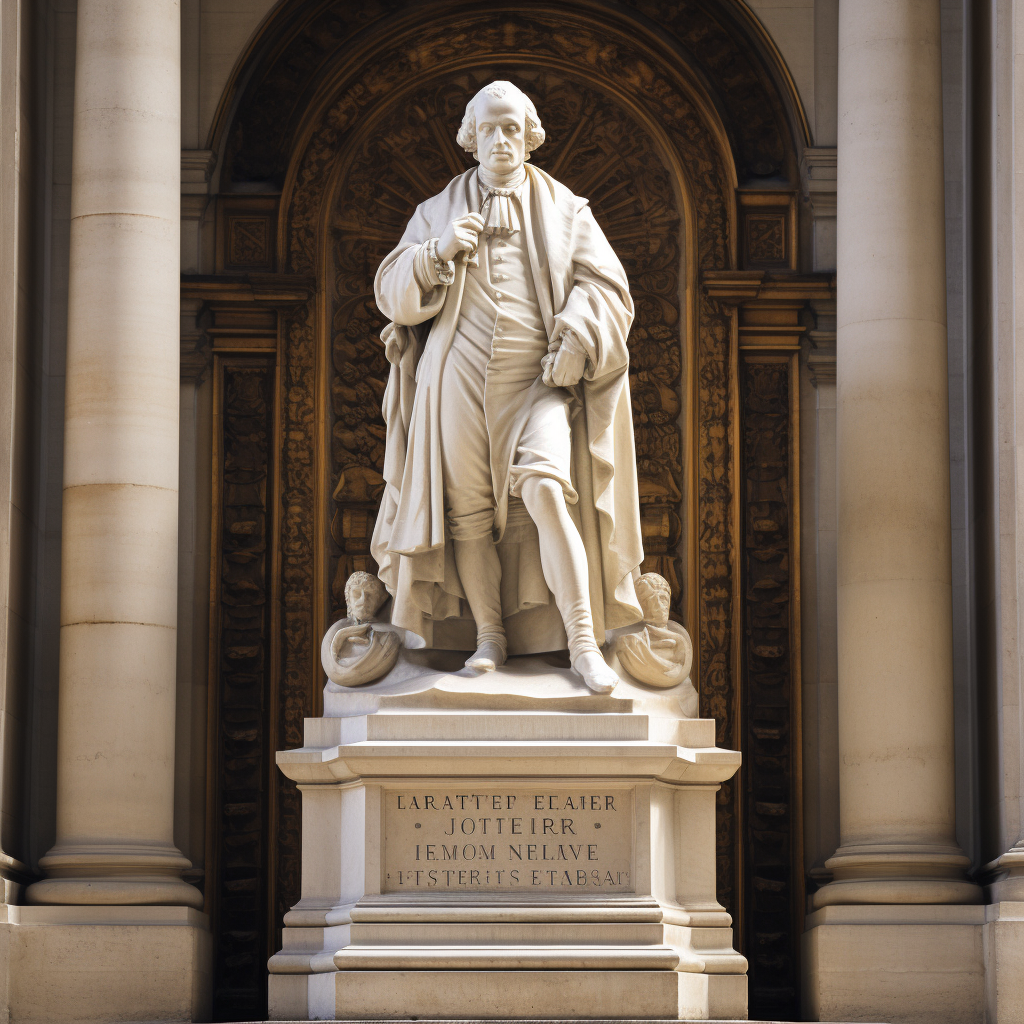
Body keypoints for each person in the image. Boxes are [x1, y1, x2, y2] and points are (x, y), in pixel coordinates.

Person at [371, 80, 645, 694]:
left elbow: (608, 287)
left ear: (530, 136)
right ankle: (488, 638)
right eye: (489, 129)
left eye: (512, 129)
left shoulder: (568, 210)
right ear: (471, 139)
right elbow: (390, 293)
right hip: (456, 374)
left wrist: (577, 336)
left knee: (549, 492)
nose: (501, 140)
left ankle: (582, 642)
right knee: (467, 516)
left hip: (538, 379)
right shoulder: (434, 212)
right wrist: (435, 254)